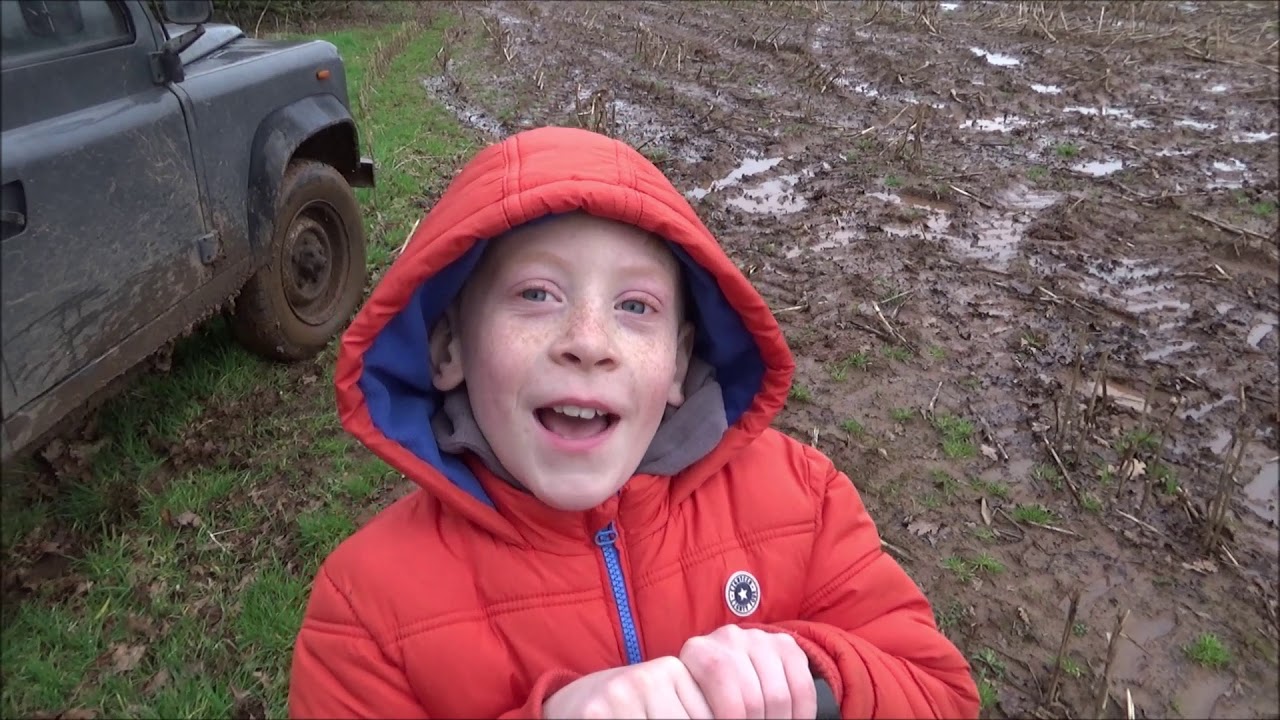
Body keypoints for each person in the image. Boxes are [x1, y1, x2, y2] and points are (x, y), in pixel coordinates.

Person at [287, 126, 980, 719]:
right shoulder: (365, 609)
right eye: (536, 294)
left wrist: (808, 666)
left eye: (636, 307)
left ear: (678, 365)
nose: (589, 340)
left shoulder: (806, 500)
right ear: (449, 350)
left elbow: (941, 693)